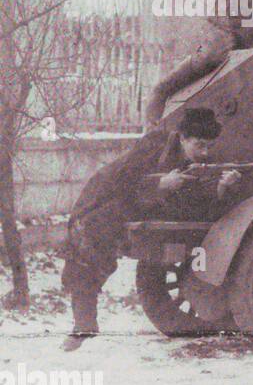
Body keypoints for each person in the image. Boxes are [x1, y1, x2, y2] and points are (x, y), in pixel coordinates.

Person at [60, 108, 243, 351]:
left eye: (209, 146)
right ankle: (83, 325)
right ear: (183, 138)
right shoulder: (154, 146)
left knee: (94, 259)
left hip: (137, 207)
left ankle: (84, 325)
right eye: (200, 145)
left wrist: (222, 187)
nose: (205, 152)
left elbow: (195, 208)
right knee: (88, 259)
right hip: (103, 204)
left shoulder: (191, 160)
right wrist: (161, 184)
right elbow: (123, 182)